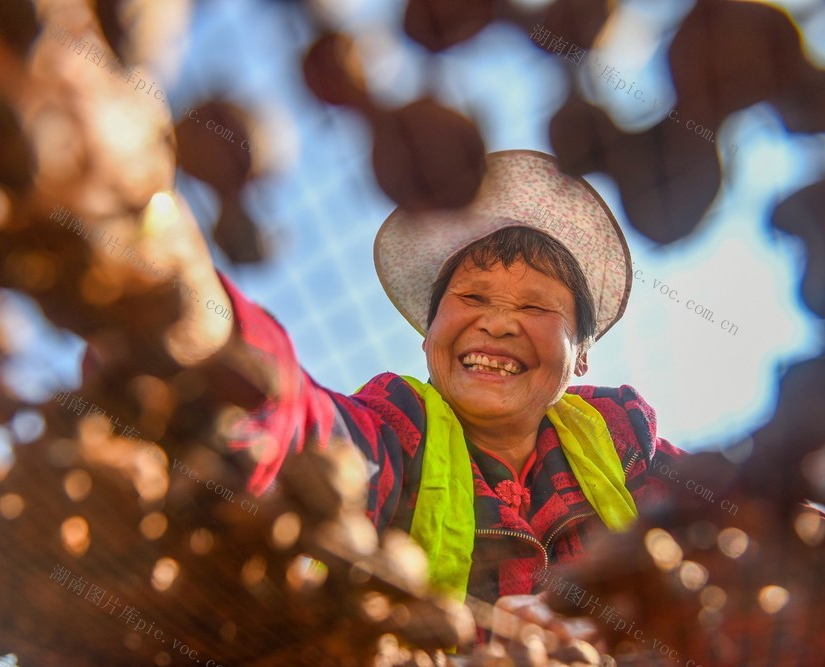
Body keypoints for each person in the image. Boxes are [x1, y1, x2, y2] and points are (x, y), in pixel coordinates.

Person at [85, 149, 685, 624]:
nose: (498, 322)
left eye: (535, 306)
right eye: (472, 297)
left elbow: (727, 508)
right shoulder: (398, 427)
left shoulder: (623, 440)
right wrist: (209, 333)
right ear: (428, 339)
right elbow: (313, 428)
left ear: (581, 358)